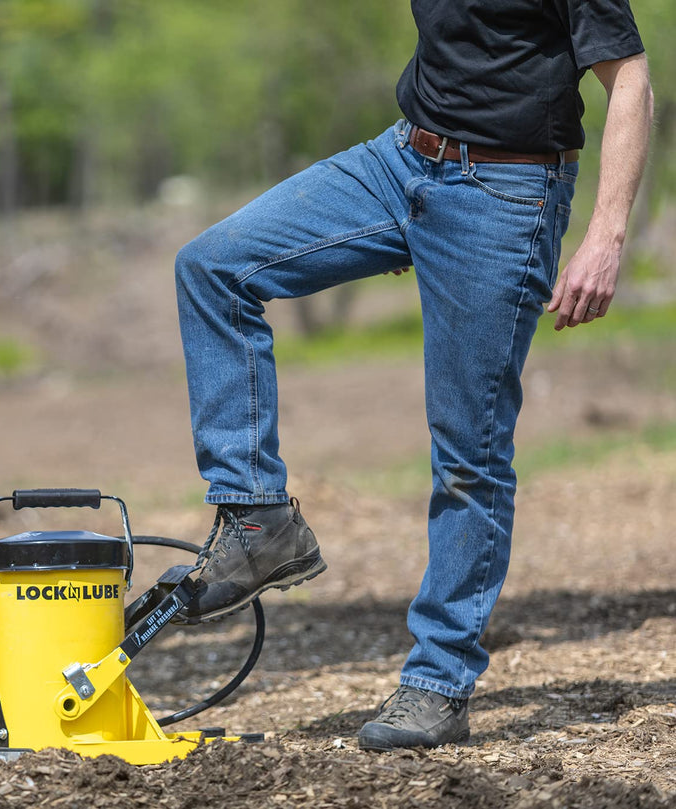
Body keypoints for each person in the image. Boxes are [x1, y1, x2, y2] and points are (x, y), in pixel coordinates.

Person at [173, 0, 652, 751]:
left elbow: (630, 80)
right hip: (400, 162)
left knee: (470, 451)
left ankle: (439, 681)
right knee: (213, 267)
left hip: (505, 195)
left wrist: (606, 233)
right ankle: (257, 517)